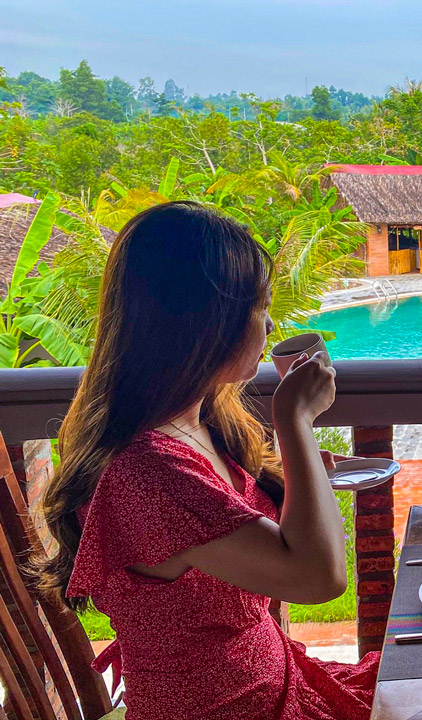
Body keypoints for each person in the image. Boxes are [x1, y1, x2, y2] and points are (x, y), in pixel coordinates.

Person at [35, 201, 379, 719]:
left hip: (276, 684)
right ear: (204, 322)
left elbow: (235, 525)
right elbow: (319, 578)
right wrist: (295, 421)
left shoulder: (196, 422)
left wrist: (303, 473)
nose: (267, 325)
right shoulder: (146, 472)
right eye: (258, 308)